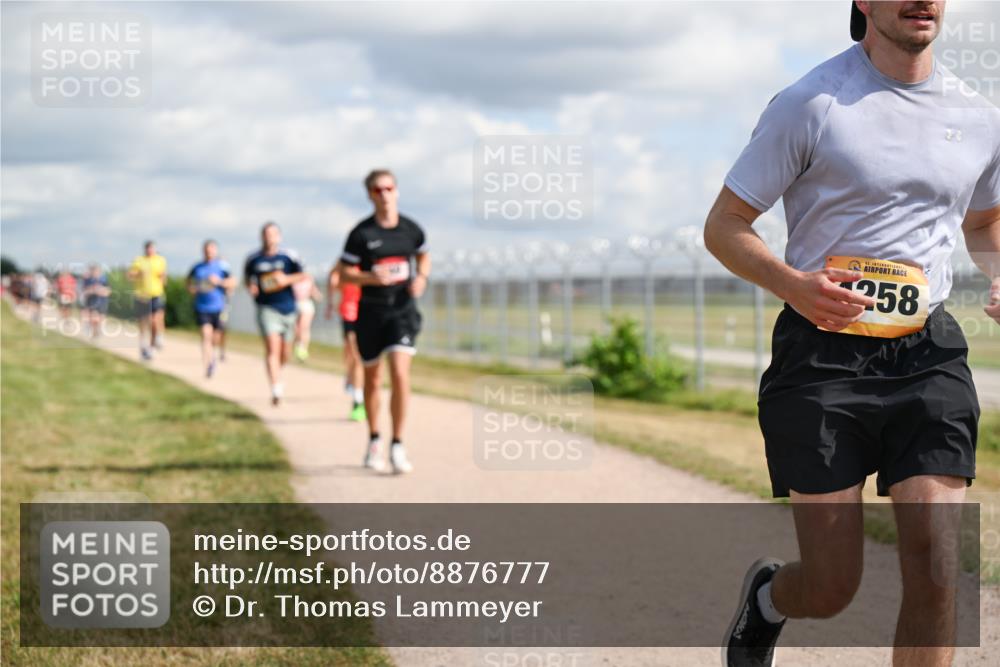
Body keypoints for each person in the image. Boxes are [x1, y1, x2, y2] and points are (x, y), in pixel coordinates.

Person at [706, 3, 1000, 666]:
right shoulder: (812, 104)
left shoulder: (980, 116)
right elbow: (724, 225)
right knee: (832, 585)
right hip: (821, 352)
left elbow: (983, 224)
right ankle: (769, 598)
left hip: (928, 351)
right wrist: (793, 284)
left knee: (937, 560)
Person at [335, 169, 430, 474]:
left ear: (396, 191)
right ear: (370, 195)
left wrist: (421, 278)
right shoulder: (361, 234)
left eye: (389, 188)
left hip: (402, 312)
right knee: (373, 378)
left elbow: (423, 255)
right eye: (378, 190)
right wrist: (368, 277)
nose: (385, 194)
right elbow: (343, 274)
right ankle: (374, 438)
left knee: (400, 373)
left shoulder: (411, 229)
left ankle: (398, 443)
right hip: (371, 313)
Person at [243, 222, 307, 406]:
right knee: (272, 348)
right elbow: (248, 279)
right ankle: (275, 388)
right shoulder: (253, 259)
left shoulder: (289, 256)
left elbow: (303, 275)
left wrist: (285, 279)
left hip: (288, 308)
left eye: (272, 234)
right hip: (266, 308)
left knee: (285, 352)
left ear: (279, 236)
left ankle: (278, 373)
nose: (269, 237)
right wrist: (251, 286)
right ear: (261, 236)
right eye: (266, 234)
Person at [187, 240, 236, 378]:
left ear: (215, 251)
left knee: (216, 337)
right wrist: (192, 289)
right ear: (203, 251)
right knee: (205, 335)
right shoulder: (197, 267)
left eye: (211, 249)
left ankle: (213, 356)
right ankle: (208, 365)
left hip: (219, 307)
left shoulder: (222, 267)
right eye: (206, 250)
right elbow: (188, 282)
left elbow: (233, 282)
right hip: (202, 307)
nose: (209, 252)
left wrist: (219, 282)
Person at [326, 263, 366, 421]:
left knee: (358, 356)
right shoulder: (346, 260)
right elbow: (333, 278)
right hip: (349, 311)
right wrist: (330, 302)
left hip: (369, 311)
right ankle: (358, 400)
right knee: (354, 354)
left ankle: (353, 381)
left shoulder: (373, 256)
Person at [127, 240, 167, 360]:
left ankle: (153, 345)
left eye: (152, 248)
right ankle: (143, 344)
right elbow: (129, 276)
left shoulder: (160, 260)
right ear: (145, 249)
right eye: (148, 248)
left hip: (156, 294)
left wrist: (163, 279)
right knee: (143, 322)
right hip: (141, 295)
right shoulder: (139, 260)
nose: (150, 250)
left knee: (154, 320)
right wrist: (138, 274)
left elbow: (164, 277)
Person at [292, 272, 322, 362]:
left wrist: (318, 296)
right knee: (295, 329)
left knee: (303, 327)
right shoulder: (293, 278)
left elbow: (314, 291)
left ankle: (303, 349)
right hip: (294, 304)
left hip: (306, 304)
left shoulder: (309, 279)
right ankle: (298, 346)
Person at [81, 264, 111, 338]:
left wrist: (101, 291)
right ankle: (93, 331)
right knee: (94, 316)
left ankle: (96, 329)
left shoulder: (104, 280)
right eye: (94, 271)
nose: (95, 273)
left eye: (97, 271)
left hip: (102, 301)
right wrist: (92, 291)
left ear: (100, 272)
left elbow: (108, 291)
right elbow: (85, 291)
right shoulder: (88, 280)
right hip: (92, 300)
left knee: (101, 317)